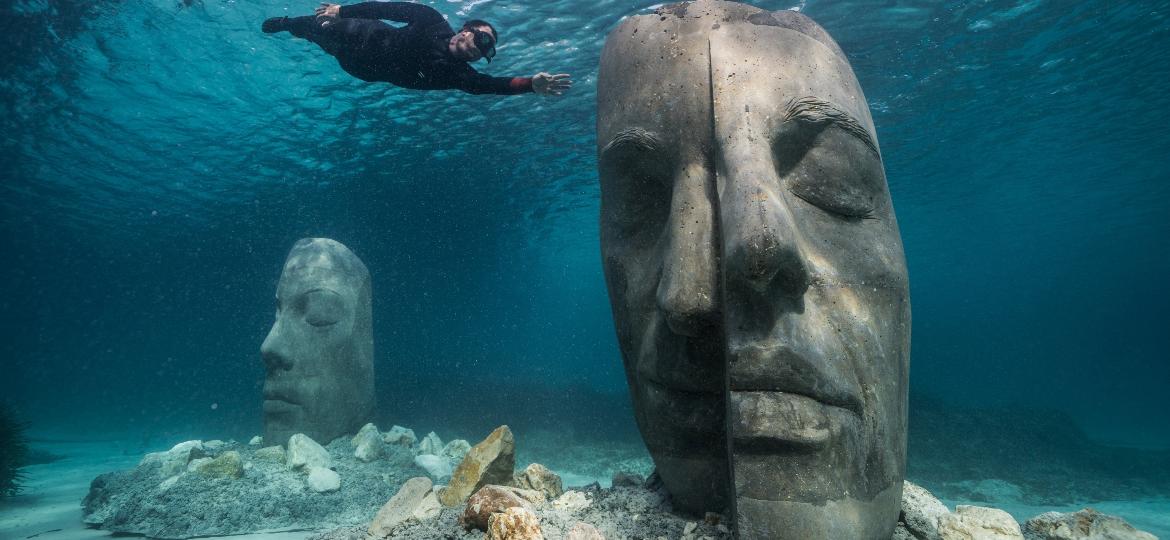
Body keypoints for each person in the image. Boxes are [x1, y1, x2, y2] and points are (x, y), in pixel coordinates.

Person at [262, 2, 572, 96]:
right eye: (481, 38)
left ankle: (303, 32)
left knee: (323, 43)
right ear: (467, 30)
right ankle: (288, 23)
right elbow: (390, 9)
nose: (479, 49)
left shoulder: (458, 74)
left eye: (485, 51)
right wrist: (342, 11)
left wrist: (530, 84)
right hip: (361, 34)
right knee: (318, 29)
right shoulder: (432, 21)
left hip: (359, 69)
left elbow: (488, 85)